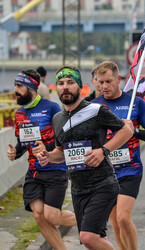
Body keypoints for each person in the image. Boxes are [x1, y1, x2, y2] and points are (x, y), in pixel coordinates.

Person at [36, 65, 133, 250]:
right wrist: (47, 156)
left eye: (71, 82)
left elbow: (126, 131)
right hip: (78, 190)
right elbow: (61, 152)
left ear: (79, 86)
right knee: (95, 241)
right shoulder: (57, 119)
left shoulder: (96, 110)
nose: (65, 87)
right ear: (56, 87)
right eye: (61, 83)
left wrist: (103, 150)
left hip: (103, 183)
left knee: (88, 237)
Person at [92, 61, 145, 250]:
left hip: (130, 170)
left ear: (118, 79)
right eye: (100, 82)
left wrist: (135, 131)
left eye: (108, 81)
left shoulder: (135, 102)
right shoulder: (94, 106)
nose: (104, 86)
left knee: (123, 218)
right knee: (114, 224)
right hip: (106, 173)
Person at [7, 69, 76, 250]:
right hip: (34, 172)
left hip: (55, 170)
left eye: (19, 86)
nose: (15, 90)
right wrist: (16, 151)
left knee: (51, 216)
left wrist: (48, 148)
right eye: (15, 85)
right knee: (39, 215)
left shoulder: (51, 108)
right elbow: (23, 143)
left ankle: (88, 218)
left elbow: (64, 140)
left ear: (31, 87)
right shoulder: (20, 113)